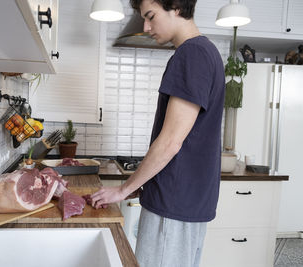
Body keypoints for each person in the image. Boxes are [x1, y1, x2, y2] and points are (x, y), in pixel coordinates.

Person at [91, 0, 225, 266]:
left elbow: (171, 142)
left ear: (176, 6)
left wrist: (124, 188)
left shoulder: (192, 54)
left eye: (151, 16)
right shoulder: (206, 52)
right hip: (186, 202)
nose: (146, 26)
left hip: (174, 205)